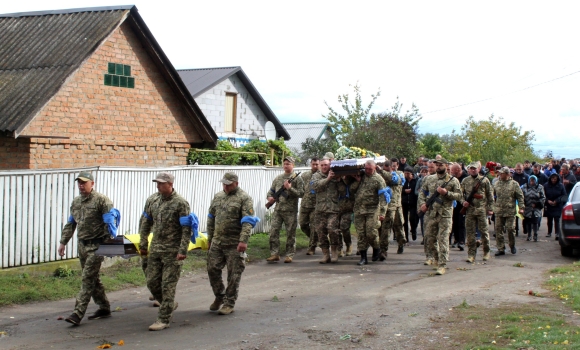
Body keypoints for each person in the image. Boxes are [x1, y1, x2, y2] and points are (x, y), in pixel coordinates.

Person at [59, 171, 114, 326]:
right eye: (79, 183)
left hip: (97, 246)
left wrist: (109, 243)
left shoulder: (102, 201)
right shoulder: (76, 202)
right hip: (82, 244)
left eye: (84, 183)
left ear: (92, 184)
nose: (81, 186)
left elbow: (111, 225)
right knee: (92, 278)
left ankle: (78, 313)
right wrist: (63, 242)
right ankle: (104, 307)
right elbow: (71, 223)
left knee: (87, 278)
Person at [139, 172, 191, 331]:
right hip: (155, 248)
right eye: (157, 183)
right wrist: (143, 243)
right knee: (152, 282)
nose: (158, 185)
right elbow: (145, 222)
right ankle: (169, 304)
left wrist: (183, 249)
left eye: (161, 183)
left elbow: (186, 229)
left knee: (167, 285)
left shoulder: (180, 203)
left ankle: (163, 319)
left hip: (173, 251)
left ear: (170, 184)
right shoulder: (152, 200)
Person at [206, 172, 256, 316]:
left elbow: (247, 221)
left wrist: (243, 240)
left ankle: (229, 302)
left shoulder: (244, 198)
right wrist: (210, 239)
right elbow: (211, 217)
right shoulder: (218, 196)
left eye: (228, 184)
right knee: (212, 269)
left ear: (236, 183)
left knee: (234, 274)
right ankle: (219, 295)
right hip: (217, 241)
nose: (225, 187)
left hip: (234, 242)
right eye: (224, 184)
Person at [418, 159, 463, 275]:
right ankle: (437, 259)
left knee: (442, 239)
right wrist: (422, 204)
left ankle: (442, 265)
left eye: (440, 165)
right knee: (429, 238)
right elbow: (422, 193)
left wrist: (446, 193)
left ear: (446, 166)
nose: (438, 167)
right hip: (432, 214)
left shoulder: (453, 181)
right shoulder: (429, 178)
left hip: (445, 214)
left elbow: (459, 196)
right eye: (436, 165)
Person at [266, 157, 304, 263]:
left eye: (288, 164)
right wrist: (270, 198)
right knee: (273, 231)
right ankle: (274, 254)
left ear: (293, 165)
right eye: (285, 164)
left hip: (290, 211)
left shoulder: (297, 179)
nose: (286, 165)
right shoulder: (278, 178)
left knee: (290, 233)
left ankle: (289, 255)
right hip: (278, 210)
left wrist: (289, 188)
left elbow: (301, 193)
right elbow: (271, 191)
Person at [350, 160, 388, 265]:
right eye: (366, 168)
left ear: (375, 168)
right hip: (359, 210)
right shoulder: (361, 176)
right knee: (361, 234)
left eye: (370, 169)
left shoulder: (379, 180)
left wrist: (382, 212)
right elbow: (352, 190)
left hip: (372, 210)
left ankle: (376, 248)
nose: (367, 171)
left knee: (371, 232)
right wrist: (357, 181)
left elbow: (383, 197)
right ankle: (363, 257)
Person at [460, 162, 494, 263]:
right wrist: (463, 202)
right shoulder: (465, 180)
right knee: (470, 233)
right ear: (468, 170)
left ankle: (486, 252)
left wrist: (490, 208)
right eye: (471, 169)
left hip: (481, 210)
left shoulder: (484, 180)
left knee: (484, 232)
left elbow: (490, 195)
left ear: (478, 169)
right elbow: (460, 194)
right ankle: (471, 254)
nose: (473, 170)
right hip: (470, 210)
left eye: (475, 169)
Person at [311, 158, 342, 263]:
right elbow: (315, 187)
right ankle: (325, 254)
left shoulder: (335, 175)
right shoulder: (316, 176)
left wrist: (339, 181)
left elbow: (342, 191)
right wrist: (328, 179)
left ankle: (334, 251)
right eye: (322, 165)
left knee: (332, 229)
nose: (324, 167)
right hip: (320, 210)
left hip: (333, 209)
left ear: (330, 165)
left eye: (326, 165)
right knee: (320, 232)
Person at [376, 158, 405, 258]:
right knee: (385, 228)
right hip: (385, 206)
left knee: (399, 226)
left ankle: (401, 243)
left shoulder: (399, 174)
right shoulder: (380, 175)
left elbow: (394, 180)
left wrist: (381, 171)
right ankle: (383, 250)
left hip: (397, 205)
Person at [493, 167, 525, 256]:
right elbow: (491, 195)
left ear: (507, 174)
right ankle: (500, 248)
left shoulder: (514, 184)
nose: (500, 174)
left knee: (510, 228)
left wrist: (521, 207)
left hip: (510, 210)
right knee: (498, 229)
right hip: (499, 210)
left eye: (502, 173)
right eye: (499, 173)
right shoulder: (496, 183)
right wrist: (491, 207)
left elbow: (520, 196)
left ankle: (512, 245)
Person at [299, 157, 320, 255]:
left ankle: (312, 247)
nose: (315, 166)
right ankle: (317, 239)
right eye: (313, 164)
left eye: (317, 164)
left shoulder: (322, 175)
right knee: (303, 224)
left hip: (316, 205)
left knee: (314, 227)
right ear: (310, 164)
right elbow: (300, 188)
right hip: (305, 203)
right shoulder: (305, 175)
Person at [521, 175, 545, 242]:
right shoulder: (525, 187)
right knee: (528, 222)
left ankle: (535, 235)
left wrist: (537, 203)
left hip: (536, 207)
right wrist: (522, 204)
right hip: (527, 207)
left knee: (535, 221)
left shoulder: (540, 187)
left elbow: (543, 197)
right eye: (531, 180)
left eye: (533, 180)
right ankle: (529, 235)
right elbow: (521, 196)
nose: (532, 182)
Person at [544, 173, 567, 240]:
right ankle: (549, 232)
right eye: (552, 179)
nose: (553, 180)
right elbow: (543, 195)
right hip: (549, 204)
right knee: (549, 219)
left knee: (557, 219)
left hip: (557, 205)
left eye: (555, 179)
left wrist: (557, 201)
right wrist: (547, 201)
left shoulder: (561, 186)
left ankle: (557, 233)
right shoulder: (546, 185)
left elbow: (564, 195)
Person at [450, 163, 467, 251]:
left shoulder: (465, 178)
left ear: (457, 170)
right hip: (454, 203)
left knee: (461, 223)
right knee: (454, 222)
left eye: (452, 171)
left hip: (463, 203)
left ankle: (461, 241)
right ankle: (456, 239)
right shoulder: (453, 178)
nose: (451, 172)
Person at [337, 176, 355, 256]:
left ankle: (348, 244)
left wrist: (344, 178)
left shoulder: (352, 181)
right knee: (336, 229)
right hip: (336, 208)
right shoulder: (336, 181)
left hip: (348, 208)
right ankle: (339, 248)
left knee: (344, 227)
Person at [401, 167, 418, 242]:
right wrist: (404, 191)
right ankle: (406, 237)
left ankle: (413, 230)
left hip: (413, 202)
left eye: (408, 173)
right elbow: (399, 189)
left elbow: (418, 190)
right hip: (404, 202)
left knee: (412, 218)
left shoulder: (415, 181)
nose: (406, 175)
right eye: (405, 173)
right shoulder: (403, 181)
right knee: (404, 220)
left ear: (412, 174)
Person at [512, 163, 529, 237]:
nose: (519, 171)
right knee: (516, 214)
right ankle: (516, 230)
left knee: (523, 213)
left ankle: (525, 227)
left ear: (523, 169)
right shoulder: (513, 176)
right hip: (515, 197)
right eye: (517, 169)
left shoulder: (526, 176)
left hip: (524, 197)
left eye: (520, 169)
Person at [415, 166, 429, 241]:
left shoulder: (431, 180)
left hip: (430, 204)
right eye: (423, 172)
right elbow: (416, 191)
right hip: (421, 203)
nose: (424, 173)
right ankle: (424, 237)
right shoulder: (420, 180)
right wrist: (421, 192)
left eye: (426, 172)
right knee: (422, 221)